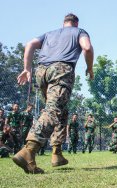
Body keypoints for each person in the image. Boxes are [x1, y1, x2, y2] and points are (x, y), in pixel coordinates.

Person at [13, 13, 94, 174]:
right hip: (61, 70)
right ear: (76, 23)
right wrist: (90, 67)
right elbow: (87, 47)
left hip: (41, 71)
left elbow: (30, 44)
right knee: (53, 110)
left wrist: (26, 68)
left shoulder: (49, 34)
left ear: (63, 23)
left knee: (61, 111)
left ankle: (56, 152)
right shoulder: (79, 32)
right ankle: (28, 150)